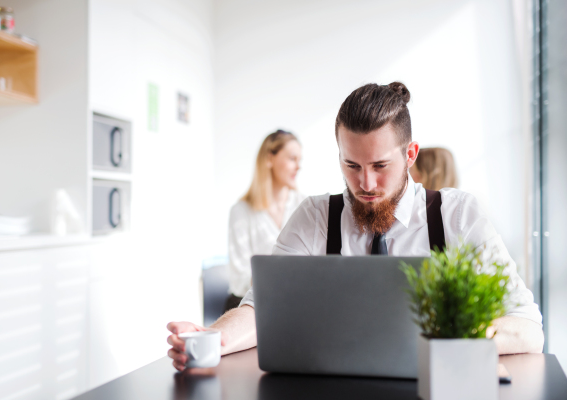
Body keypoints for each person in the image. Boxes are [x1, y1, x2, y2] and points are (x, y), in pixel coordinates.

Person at [167, 82, 544, 371]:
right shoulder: (313, 216)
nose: (365, 184)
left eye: (380, 166)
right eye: (352, 166)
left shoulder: (457, 215)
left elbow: (528, 328)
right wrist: (214, 339)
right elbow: (261, 307)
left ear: (410, 154)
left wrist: (453, 335)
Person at [224, 130, 305, 313]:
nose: (298, 167)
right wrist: (274, 282)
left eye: (300, 160)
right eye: (292, 159)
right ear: (269, 159)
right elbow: (239, 279)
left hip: (295, 301)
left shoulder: (305, 207)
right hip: (251, 304)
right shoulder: (241, 211)